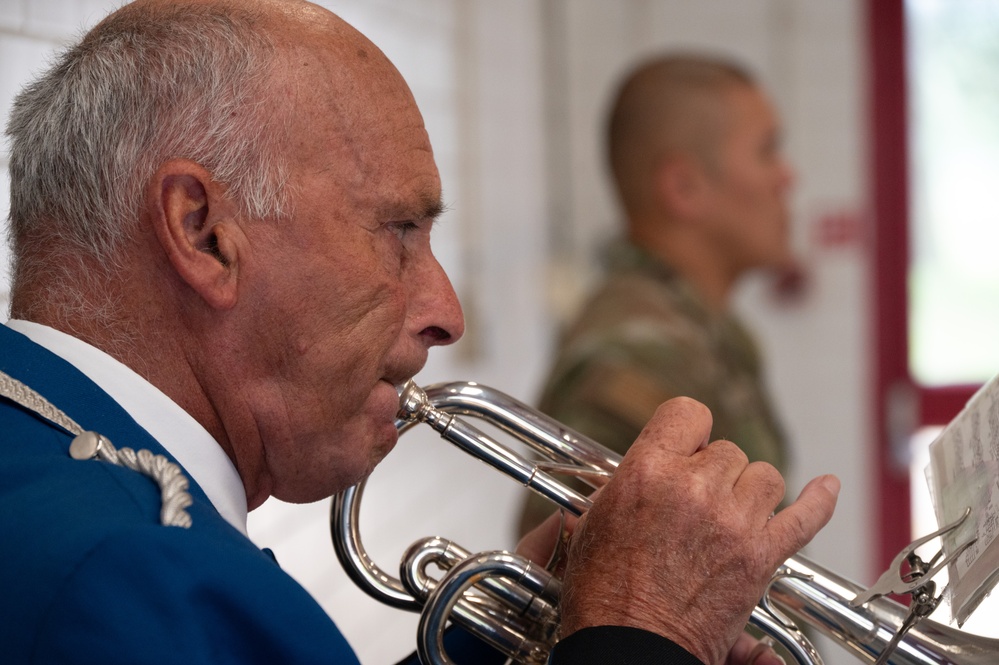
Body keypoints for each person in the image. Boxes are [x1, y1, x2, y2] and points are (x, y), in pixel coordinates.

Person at [0, 2, 839, 664]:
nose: (445, 309)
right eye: (398, 229)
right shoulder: (127, 577)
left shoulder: (59, 470)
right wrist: (638, 636)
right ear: (204, 232)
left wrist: (549, 633)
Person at [520, 54, 796, 534]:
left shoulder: (710, 330)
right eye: (766, 151)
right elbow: (565, 574)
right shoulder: (635, 353)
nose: (787, 177)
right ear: (684, 187)